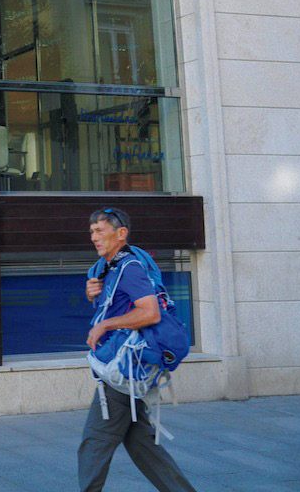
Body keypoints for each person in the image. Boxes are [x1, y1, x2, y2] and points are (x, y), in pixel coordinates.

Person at [78, 208, 197, 492]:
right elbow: (120, 305)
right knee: (144, 447)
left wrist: (105, 325)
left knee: (93, 445)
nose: (94, 237)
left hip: (122, 373)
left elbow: (150, 312)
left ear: (121, 234)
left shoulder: (129, 267)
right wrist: (93, 294)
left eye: (100, 230)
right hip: (128, 368)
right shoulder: (112, 268)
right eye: (92, 231)